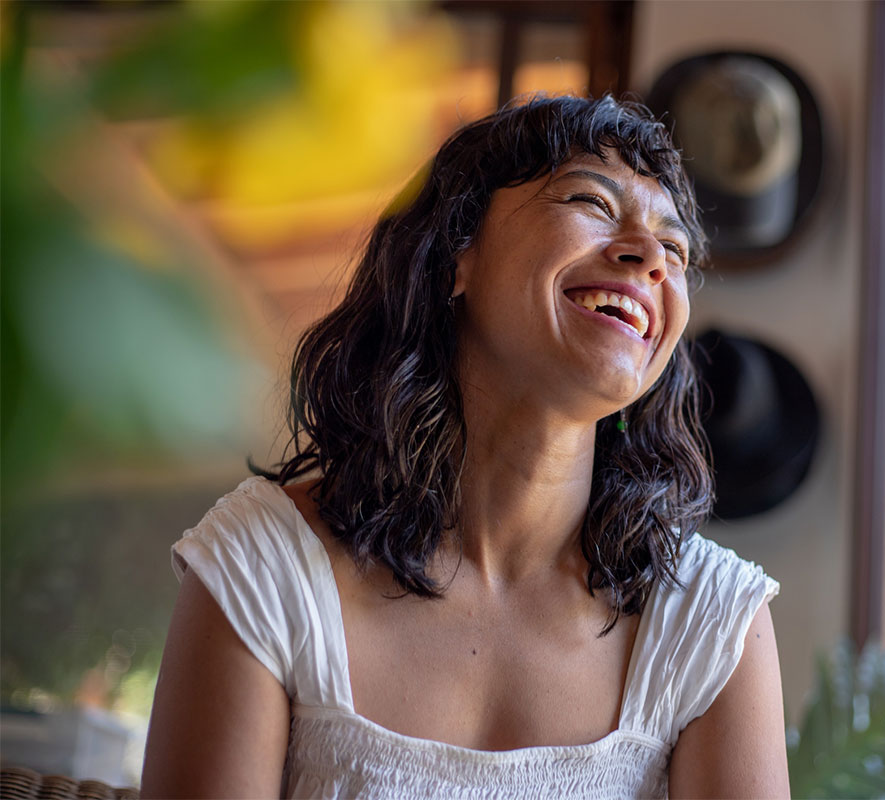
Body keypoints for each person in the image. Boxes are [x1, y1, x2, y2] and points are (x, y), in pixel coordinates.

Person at [141, 95, 788, 798]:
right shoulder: (266, 567)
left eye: (675, 249)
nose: (649, 258)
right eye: (592, 202)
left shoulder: (712, 623)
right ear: (455, 255)